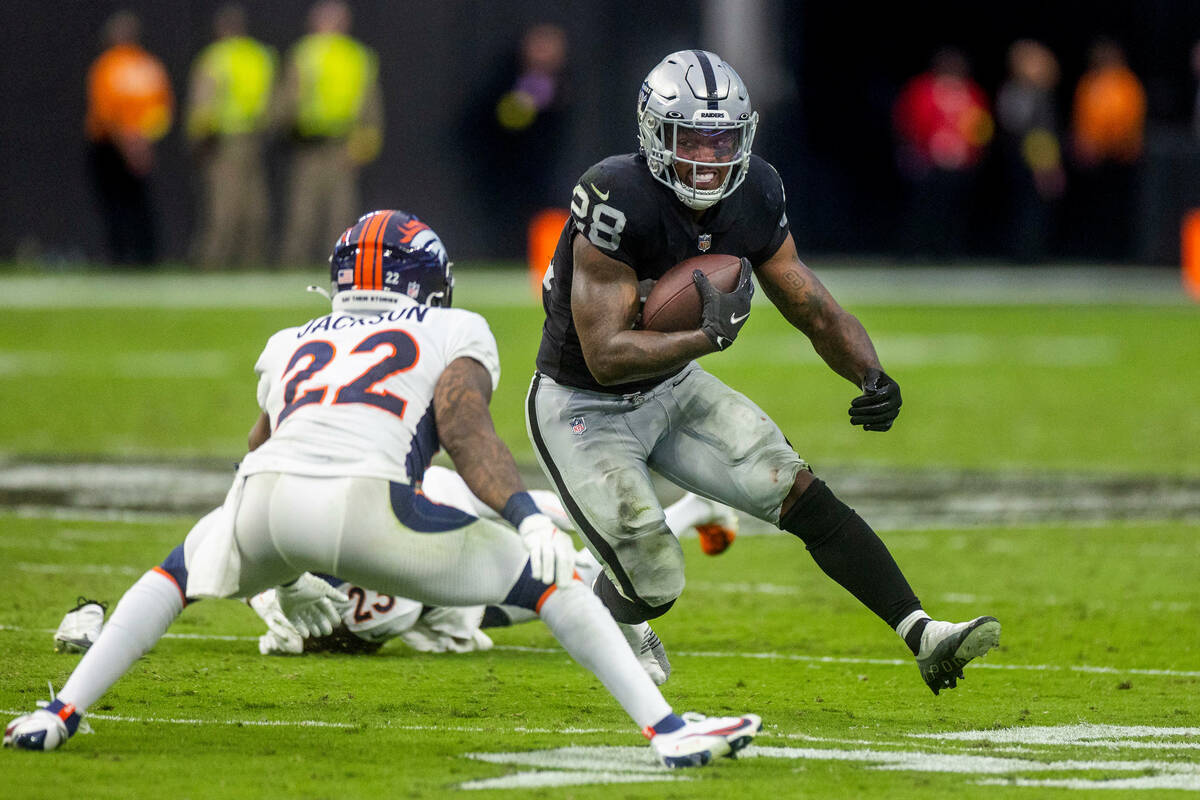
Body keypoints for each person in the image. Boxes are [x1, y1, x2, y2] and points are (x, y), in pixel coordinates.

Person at [3, 210, 760, 768]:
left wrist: (270, 562)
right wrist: (525, 515)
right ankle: (668, 730)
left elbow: (260, 450)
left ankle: (59, 711)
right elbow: (467, 436)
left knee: (171, 578)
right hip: (370, 509)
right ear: (428, 281)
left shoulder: (289, 340)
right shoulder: (450, 329)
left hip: (263, 501)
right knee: (549, 581)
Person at [527, 50, 1001, 697]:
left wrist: (870, 372)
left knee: (791, 484)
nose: (708, 156)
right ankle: (593, 592)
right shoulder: (616, 199)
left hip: (670, 386)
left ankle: (922, 631)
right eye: (691, 137)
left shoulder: (755, 192)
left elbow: (813, 305)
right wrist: (703, 336)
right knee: (654, 578)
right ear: (653, 133)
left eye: (722, 139)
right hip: (582, 402)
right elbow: (606, 352)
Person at [247, 465, 738, 670]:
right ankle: (691, 509)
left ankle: (690, 511)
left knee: (564, 566)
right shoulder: (304, 579)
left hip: (428, 554)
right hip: (418, 546)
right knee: (548, 537)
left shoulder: (345, 605)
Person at [275, 1, 384, 267]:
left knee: (336, 212)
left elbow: (369, 106)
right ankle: (298, 264)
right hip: (311, 143)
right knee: (306, 211)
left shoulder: (312, 53)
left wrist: (362, 146)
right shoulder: (351, 55)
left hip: (336, 143)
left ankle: (338, 266)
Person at [185, 4, 277, 270]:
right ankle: (244, 264)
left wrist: (198, 142)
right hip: (250, 139)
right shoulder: (258, 57)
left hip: (225, 142)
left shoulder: (215, 58)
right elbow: (273, 100)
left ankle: (214, 263)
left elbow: (202, 104)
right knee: (252, 209)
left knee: (227, 209)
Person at [85, 10, 174, 266]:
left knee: (116, 203)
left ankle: (123, 256)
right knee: (138, 202)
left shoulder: (108, 65)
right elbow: (162, 111)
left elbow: (106, 114)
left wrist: (129, 144)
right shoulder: (150, 66)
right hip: (139, 144)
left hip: (111, 145)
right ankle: (145, 256)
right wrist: (142, 141)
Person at [891, 48, 992, 260]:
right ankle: (916, 251)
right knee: (923, 208)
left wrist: (972, 149)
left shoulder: (971, 93)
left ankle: (948, 251)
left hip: (960, 162)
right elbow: (907, 120)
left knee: (955, 209)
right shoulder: (923, 89)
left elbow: (982, 125)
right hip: (927, 160)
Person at [1068, 38, 1146, 261]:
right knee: (1094, 204)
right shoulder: (1090, 83)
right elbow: (1082, 116)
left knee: (1120, 205)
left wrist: (1127, 142)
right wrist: (1084, 143)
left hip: (1120, 154)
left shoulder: (1127, 83)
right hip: (1095, 154)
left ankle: (1120, 250)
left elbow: (1133, 116)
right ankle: (1094, 248)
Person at [995, 40, 1065, 263]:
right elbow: (1020, 128)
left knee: (1038, 207)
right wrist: (1041, 163)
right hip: (1026, 157)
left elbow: (1046, 132)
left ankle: (1034, 252)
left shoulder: (1042, 94)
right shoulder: (1016, 91)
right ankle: (1022, 253)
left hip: (1040, 155)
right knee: (1025, 205)